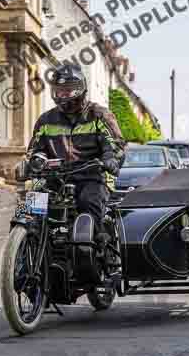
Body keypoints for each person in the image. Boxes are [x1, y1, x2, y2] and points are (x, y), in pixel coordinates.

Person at [27, 64, 125, 235]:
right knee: (29, 210)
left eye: (68, 90)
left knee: (88, 204)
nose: (63, 94)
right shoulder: (45, 120)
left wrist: (110, 158)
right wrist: (33, 160)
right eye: (59, 90)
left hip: (92, 176)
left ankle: (92, 251)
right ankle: (25, 248)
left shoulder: (99, 115)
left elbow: (115, 144)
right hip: (54, 178)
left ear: (80, 89)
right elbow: (35, 149)